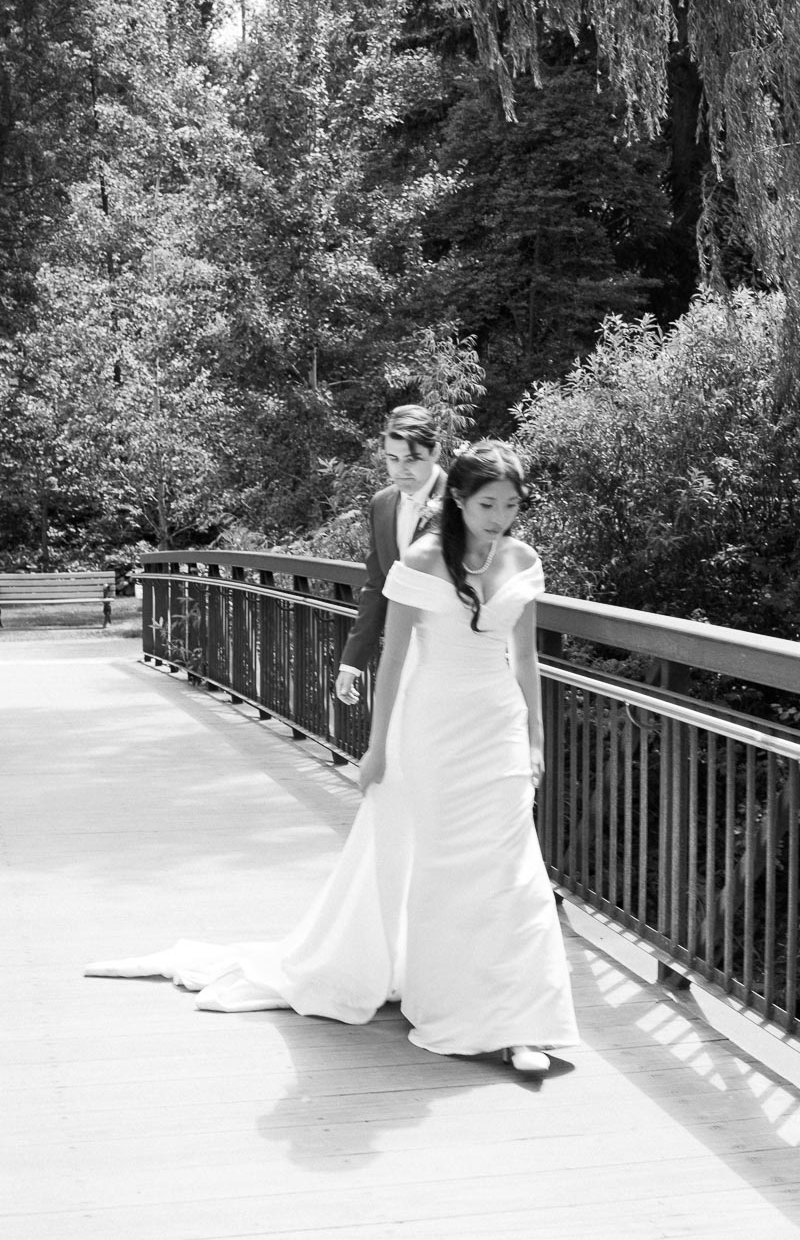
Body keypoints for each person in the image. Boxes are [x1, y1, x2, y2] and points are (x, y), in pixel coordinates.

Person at [85, 441, 578, 1074]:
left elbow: (526, 658)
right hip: (431, 730)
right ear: (457, 497)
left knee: (514, 870)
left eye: (511, 505)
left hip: (499, 730)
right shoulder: (425, 560)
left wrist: (535, 737)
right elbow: (394, 659)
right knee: (447, 869)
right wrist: (376, 748)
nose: (500, 517)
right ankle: (458, 1005)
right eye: (488, 503)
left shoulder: (522, 558)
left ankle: (522, 1023)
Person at [334, 404, 445, 708]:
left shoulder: (464, 503)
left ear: (434, 452)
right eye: (392, 459)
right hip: (401, 656)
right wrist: (352, 662)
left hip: (451, 655)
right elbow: (378, 585)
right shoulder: (381, 504)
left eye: (412, 459)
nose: (401, 470)